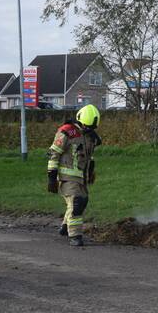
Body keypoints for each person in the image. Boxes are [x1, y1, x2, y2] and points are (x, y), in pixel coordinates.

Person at [47, 104, 102, 247]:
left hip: (80, 178)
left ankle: (65, 228)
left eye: (91, 128)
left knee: (82, 201)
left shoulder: (89, 136)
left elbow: (89, 157)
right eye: (86, 126)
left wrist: (90, 172)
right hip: (66, 177)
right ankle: (75, 235)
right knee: (76, 202)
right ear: (80, 121)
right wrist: (51, 177)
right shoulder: (66, 132)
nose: (88, 129)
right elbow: (54, 154)